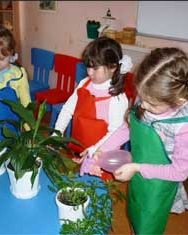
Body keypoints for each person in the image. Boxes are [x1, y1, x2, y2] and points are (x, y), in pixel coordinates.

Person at [85, 47, 188, 234]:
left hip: (160, 183)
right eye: (141, 98)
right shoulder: (149, 92)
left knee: (148, 226)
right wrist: (102, 149)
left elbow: (179, 172)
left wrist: (137, 168)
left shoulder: (187, 125)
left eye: (151, 104)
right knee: (135, 216)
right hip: (138, 172)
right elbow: (128, 125)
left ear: (177, 100)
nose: (142, 105)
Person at [54, 36, 133, 180]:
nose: (89, 72)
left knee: (96, 190)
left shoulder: (117, 98)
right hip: (79, 149)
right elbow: (67, 110)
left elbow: (116, 132)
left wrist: (95, 150)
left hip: (101, 159)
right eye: (88, 66)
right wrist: (56, 134)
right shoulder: (84, 83)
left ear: (113, 67)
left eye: (95, 68)